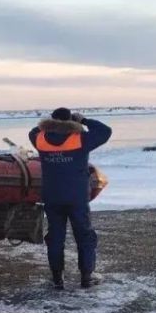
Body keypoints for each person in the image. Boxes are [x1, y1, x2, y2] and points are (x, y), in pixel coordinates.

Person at [29, 107, 112, 289]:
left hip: (52, 197)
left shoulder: (41, 140)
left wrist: (49, 125)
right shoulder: (80, 139)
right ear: (70, 121)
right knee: (84, 236)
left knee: (56, 238)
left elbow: (33, 131)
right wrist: (83, 121)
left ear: (52, 121)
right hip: (77, 198)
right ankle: (86, 277)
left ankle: (58, 279)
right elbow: (105, 131)